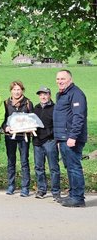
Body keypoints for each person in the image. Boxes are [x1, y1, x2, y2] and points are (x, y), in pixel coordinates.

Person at [53, 70, 87, 208]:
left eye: (63, 78)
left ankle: (78, 198)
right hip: (63, 137)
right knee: (69, 167)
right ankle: (73, 194)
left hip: (71, 138)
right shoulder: (62, 94)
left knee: (74, 168)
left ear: (70, 79)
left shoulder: (76, 94)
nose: (60, 81)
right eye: (58, 79)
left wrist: (73, 136)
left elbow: (79, 117)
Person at [2, 80, 34, 197]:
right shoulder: (6, 103)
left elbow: (33, 118)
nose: (16, 92)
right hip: (10, 136)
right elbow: (3, 119)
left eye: (19, 89)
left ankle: (25, 187)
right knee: (11, 161)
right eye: (14, 89)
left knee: (24, 161)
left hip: (23, 137)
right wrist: (5, 127)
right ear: (11, 91)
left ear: (22, 90)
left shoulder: (28, 103)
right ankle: (11, 185)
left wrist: (30, 127)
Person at [32, 86, 60, 200]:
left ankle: (56, 192)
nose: (43, 97)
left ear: (49, 95)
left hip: (50, 141)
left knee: (53, 168)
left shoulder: (55, 108)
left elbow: (58, 124)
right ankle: (41, 190)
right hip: (37, 141)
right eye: (41, 94)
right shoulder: (36, 108)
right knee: (39, 167)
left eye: (45, 94)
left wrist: (51, 134)